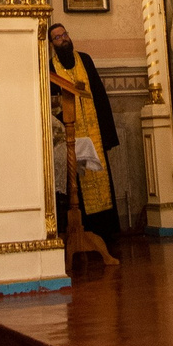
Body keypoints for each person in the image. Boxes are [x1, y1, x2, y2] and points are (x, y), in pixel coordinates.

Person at [47, 25, 120, 261]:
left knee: (100, 177)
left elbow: (99, 94)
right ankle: (80, 232)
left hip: (94, 131)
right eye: (57, 38)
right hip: (69, 136)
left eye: (64, 34)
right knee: (76, 183)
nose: (63, 39)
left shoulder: (85, 59)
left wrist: (107, 134)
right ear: (52, 44)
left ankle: (104, 234)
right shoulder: (50, 67)